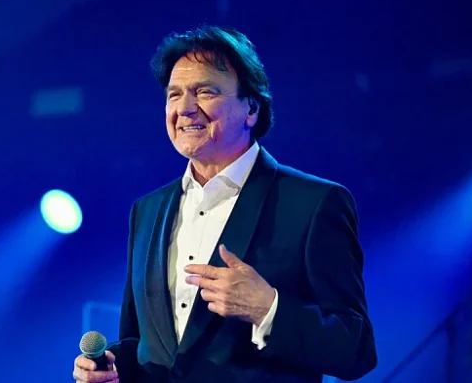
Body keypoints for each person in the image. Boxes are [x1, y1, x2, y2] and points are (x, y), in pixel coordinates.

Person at [72, 26, 377, 383]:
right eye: (174, 94)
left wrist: (267, 309)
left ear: (251, 108)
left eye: (205, 91)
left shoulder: (313, 203)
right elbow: (141, 342)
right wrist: (113, 368)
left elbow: (355, 349)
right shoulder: (147, 211)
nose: (185, 108)